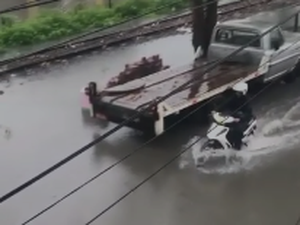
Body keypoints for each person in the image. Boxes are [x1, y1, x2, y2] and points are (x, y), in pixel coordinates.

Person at [221, 82, 254, 150]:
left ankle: (237, 148)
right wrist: (217, 110)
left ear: (243, 92)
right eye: (236, 92)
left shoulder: (246, 101)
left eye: (238, 92)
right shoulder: (234, 97)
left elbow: (248, 113)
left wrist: (240, 118)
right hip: (233, 117)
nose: (237, 93)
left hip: (242, 119)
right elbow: (225, 104)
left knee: (237, 131)